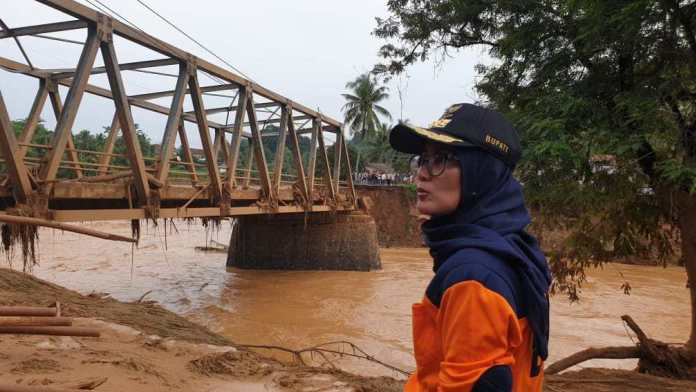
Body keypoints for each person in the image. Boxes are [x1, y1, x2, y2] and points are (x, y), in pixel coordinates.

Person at [389, 103, 551, 391]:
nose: (422, 174)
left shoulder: (472, 278)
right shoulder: (512, 247)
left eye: (440, 159)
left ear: (481, 172)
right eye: (422, 159)